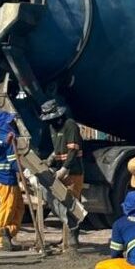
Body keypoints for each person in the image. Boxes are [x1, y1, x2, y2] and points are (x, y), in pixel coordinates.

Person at [41, 99, 84, 247]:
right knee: (62, 205)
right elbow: (59, 148)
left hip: (73, 171)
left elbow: (73, 149)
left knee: (72, 204)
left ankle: (73, 238)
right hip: (60, 169)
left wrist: (65, 168)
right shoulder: (53, 128)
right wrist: (51, 159)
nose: (50, 122)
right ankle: (66, 236)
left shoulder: (70, 125)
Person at [0, 111, 25, 252]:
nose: (12, 123)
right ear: (4, 124)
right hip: (5, 179)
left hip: (5, 178)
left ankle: (8, 233)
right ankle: (1, 238)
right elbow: (13, 161)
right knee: (8, 208)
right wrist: (25, 173)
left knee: (18, 208)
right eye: (9, 122)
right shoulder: (8, 138)